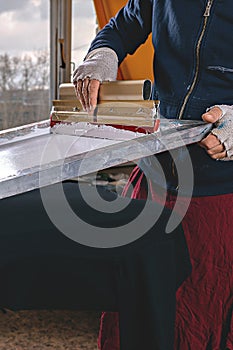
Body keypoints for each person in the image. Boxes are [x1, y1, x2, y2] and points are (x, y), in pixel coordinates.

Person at [73, 1, 233, 349]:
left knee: (203, 311)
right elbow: (123, 26)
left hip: (221, 194)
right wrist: (101, 56)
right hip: (153, 176)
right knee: (134, 308)